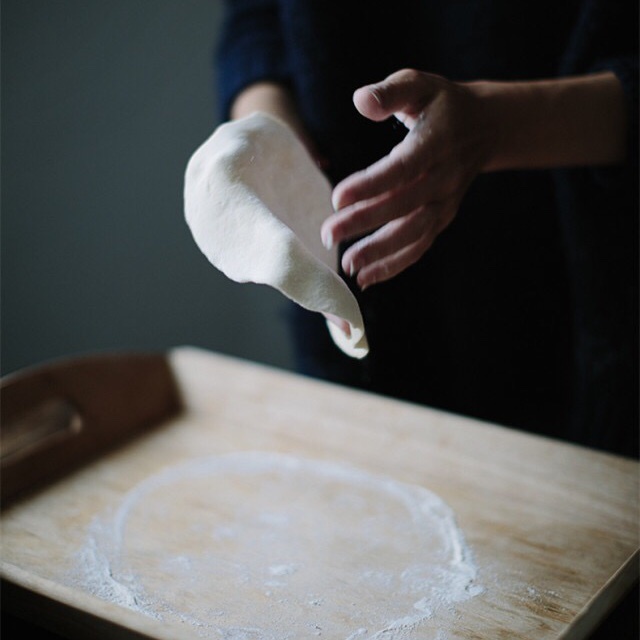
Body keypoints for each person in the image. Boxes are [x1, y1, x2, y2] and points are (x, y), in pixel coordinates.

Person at [215, 1, 638, 458]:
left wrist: (497, 124)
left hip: (579, 306)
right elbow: (255, 17)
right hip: (351, 291)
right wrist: (270, 132)